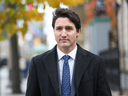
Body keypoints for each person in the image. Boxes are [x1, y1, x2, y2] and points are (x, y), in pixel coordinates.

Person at [26, 8, 112, 96]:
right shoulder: (38, 63)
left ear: (78, 31)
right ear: (54, 32)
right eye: (59, 29)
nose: (63, 34)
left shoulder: (96, 63)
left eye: (68, 29)